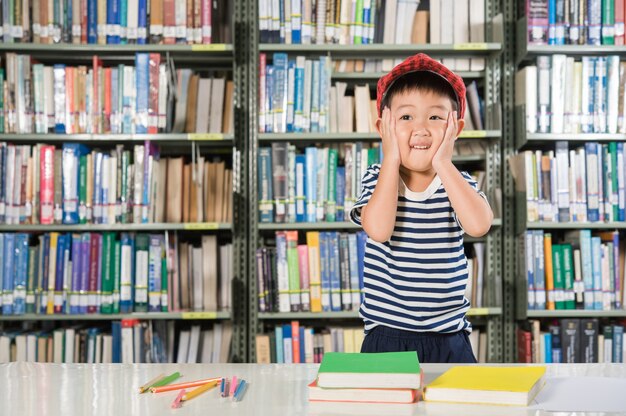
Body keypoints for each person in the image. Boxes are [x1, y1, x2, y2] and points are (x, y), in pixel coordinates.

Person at [349, 53, 493, 363]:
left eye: (436, 117)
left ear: (456, 128)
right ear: (383, 127)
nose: (421, 128)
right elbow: (378, 229)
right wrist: (390, 159)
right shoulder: (378, 178)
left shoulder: (458, 182)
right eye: (405, 118)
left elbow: (479, 224)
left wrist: (443, 163)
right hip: (387, 335)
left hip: (450, 336)